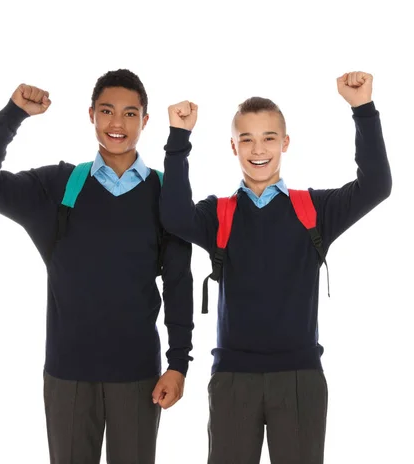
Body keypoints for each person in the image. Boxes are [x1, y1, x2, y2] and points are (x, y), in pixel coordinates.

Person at [0, 69, 194, 464]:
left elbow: (178, 283)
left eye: (130, 113)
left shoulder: (164, 193)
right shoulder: (57, 188)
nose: (117, 123)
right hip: (67, 375)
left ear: (145, 121)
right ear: (91, 115)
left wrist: (178, 363)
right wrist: (12, 115)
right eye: (106, 111)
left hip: (139, 377)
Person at [160, 71, 392, 463]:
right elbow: (174, 216)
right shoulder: (220, 213)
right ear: (233, 147)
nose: (258, 148)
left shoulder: (313, 210)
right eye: (246, 139)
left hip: (300, 378)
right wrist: (179, 139)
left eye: (268, 137)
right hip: (233, 378)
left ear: (284, 143)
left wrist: (362, 109)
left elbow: (376, 186)